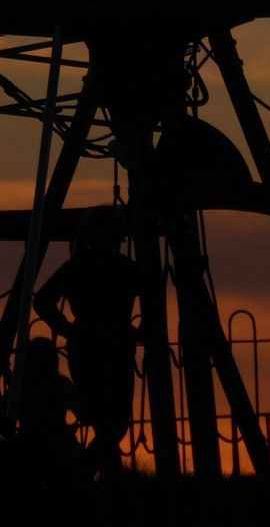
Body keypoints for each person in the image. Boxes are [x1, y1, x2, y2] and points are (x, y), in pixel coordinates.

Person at [33, 205, 141, 480]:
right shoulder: (125, 269)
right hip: (111, 346)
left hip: (89, 345)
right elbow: (154, 302)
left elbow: (42, 300)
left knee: (106, 422)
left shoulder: (79, 267)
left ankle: (89, 481)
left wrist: (67, 329)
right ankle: (84, 478)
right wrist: (137, 333)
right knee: (113, 423)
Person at [93, 0, 211, 168]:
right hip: (144, 86)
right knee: (151, 141)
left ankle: (143, 161)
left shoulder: (150, 1)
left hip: (130, 88)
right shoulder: (167, 7)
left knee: (143, 145)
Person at [12, 337, 83, 489]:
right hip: (53, 447)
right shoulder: (61, 385)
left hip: (34, 447)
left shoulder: (20, 388)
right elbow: (83, 412)